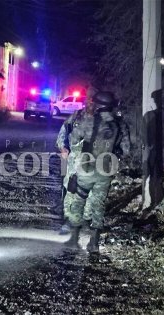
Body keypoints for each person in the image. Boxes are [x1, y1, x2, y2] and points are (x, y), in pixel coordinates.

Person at [57, 91, 130, 253]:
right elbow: (125, 150)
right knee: (99, 204)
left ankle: (74, 239)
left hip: (86, 168)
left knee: (77, 201)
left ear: (97, 105)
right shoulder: (120, 125)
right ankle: (94, 243)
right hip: (105, 170)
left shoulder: (89, 121)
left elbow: (74, 139)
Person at [55, 88, 97, 234]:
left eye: (93, 100)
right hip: (74, 160)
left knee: (91, 192)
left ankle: (85, 220)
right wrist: (63, 148)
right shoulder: (76, 117)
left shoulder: (103, 119)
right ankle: (68, 220)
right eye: (89, 100)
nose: (90, 103)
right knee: (71, 190)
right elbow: (63, 132)